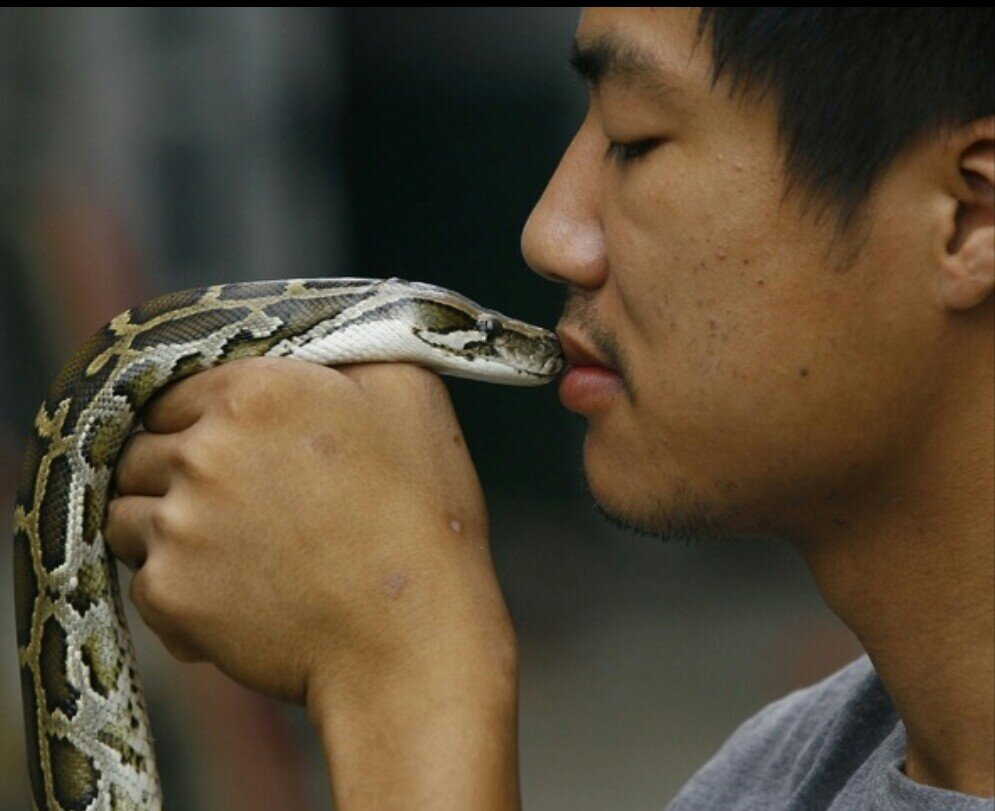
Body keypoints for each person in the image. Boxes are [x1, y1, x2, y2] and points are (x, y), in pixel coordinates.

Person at [104, 7, 994, 810]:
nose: (549, 234)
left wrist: (407, 680)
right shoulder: (772, 774)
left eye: (636, 139)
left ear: (966, 216)